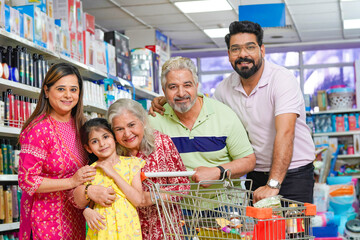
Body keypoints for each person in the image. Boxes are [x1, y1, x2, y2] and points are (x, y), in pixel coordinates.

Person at [18, 63, 97, 240]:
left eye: (73, 89)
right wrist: (71, 181)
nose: (68, 95)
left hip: (76, 217)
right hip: (45, 221)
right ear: (46, 91)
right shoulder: (38, 129)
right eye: (61, 89)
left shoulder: (82, 126)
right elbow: (27, 180)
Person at [148, 56, 256, 185]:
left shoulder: (224, 115)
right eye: (173, 87)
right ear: (164, 90)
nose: (181, 93)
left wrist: (217, 172)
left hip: (225, 202)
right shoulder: (154, 121)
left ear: (196, 86)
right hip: (175, 204)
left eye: (187, 85)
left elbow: (248, 160)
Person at [107, 98, 190, 240]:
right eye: (119, 129)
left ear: (143, 122)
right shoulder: (111, 153)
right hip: (128, 230)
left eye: (131, 125)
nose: (127, 134)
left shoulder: (162, 143)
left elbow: (183, 185)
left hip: (165, 229)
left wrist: (153, 197)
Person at [80, 118, 144, 239]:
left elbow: (138, 200)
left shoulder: (132, 164)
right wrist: (86, 211)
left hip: (128, 231)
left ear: (114, 138)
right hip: (102, 231)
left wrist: (113, 173)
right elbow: (86, 202)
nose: (102, 144)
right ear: (88, 148)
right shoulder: (89, 171)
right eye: (94, 141)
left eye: (105, 137)